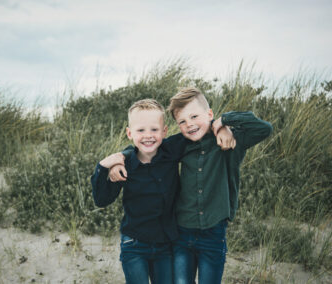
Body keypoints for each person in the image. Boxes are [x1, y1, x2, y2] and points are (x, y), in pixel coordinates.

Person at [109, 87, 272, 283]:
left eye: (194, 116)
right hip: (181, 233)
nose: (190, 125)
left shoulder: (229, 140)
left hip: (214, 232)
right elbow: (146, 146)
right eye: (183, 122)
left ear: (209, 114)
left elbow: (264, 128)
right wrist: (120, 159)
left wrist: (224, 121)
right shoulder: (181, 145)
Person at [91, 98, 234, 284]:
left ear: (164, 131)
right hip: (134, 244)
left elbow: (197, 130)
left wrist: (221, 126)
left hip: (166, 245)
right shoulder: (124, 166)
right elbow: (102, 199)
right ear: (129, 133)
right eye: (140, 130)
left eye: (154, 130)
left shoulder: (171, 150)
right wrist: (104, 166)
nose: (148, 135)